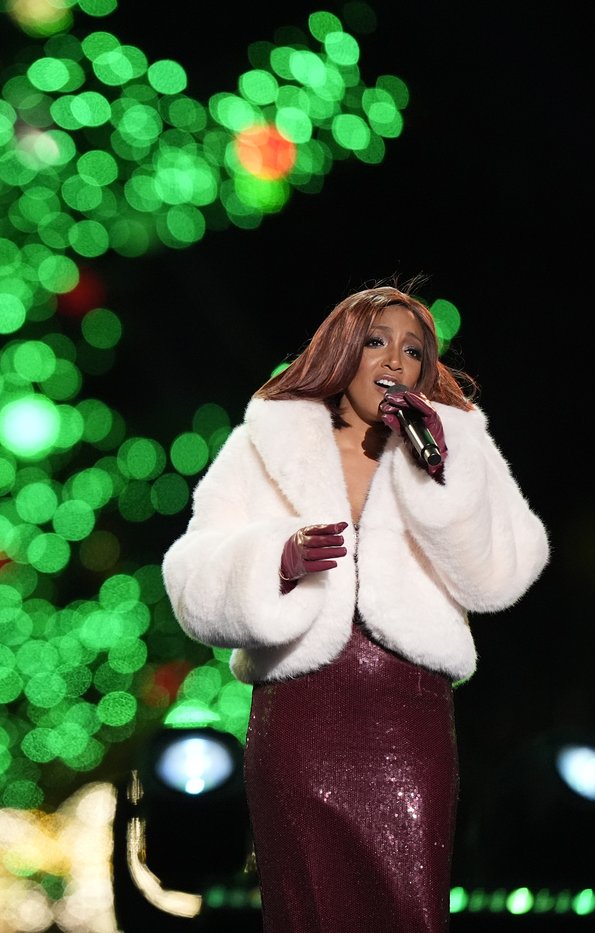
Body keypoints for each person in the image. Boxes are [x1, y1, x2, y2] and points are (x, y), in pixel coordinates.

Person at [161, 283, 549, 932]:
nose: (394, 361)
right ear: (344, 350)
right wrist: (276, 562)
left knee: (409, 910)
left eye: (413, 351)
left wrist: (442, 475)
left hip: (409, 720)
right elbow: (191, 574)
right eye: (377, 341)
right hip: (300, 718)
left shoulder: (453, 446)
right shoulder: (266, 439)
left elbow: (504, 573)